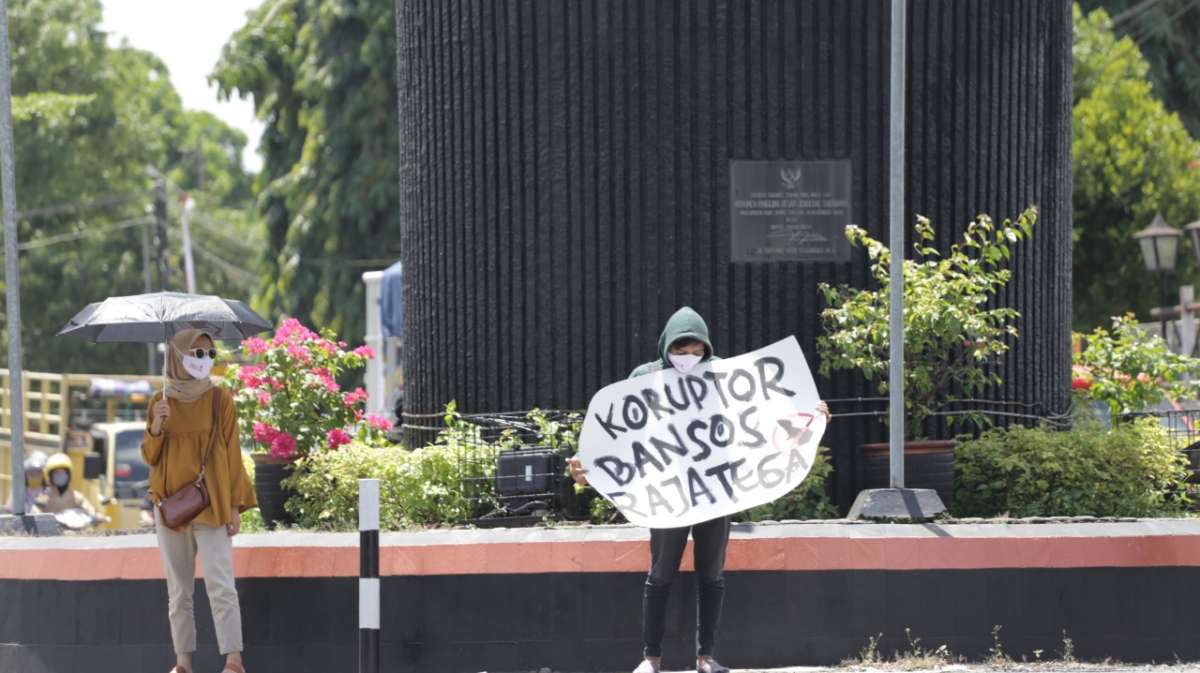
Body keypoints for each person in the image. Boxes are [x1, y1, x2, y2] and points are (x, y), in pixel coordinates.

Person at [569, 306, 830, 673]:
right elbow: (617, 433)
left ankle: (706, 657)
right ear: (666, 347)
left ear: (707, 349)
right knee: (660, 574)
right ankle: (650, 658)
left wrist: (810, 413)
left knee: (712, 575)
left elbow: (763, 413)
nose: (689, 359)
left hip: (715, 490)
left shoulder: (724, 373)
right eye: (680, 350)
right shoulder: (644, 378)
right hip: (667, 493)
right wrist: (586, 464)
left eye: (696, 352)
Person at [142, 329, 257, 673]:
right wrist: (157, 426)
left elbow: (233, 455)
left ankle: (233, 660)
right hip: (170, 509)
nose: (204, 360)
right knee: (179, 592)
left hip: (213, 504)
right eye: (197, 353)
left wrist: (235, 505)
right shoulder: (159, 401)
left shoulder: (220, 399)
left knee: (221, 584)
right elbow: (150, 457)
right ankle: (183, 663)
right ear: (177, 356)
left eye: (209, 354)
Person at [36, 451, 106, 524]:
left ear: (69, 474)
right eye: (57, 473)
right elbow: (35, 515)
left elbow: (91, 512)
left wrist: (97, 517)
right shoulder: (43, 498)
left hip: (74, 533)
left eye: (63, 472)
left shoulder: (77, 497)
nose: (60, 475)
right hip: (50, 534)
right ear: (50, 476)